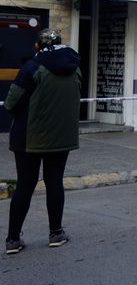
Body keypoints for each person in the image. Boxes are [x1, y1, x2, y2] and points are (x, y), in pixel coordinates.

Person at [3, 28, 81, 255]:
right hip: (62, 137)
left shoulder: (32, 67)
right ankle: (56, 233)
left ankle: (13, 239)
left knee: (25, 186)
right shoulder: (75, 67)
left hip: (30, 137)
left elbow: (11, 103)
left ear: (38, 45)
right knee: (54, 182)